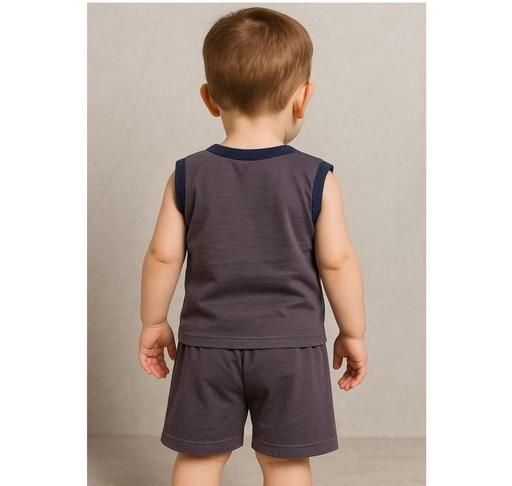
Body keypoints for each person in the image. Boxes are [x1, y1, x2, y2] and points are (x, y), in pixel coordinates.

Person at [139, 7, 368, 486]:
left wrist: (154, 322)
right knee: (285, 463)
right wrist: (353, 331)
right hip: (292, 349)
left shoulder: (187, 175)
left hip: (208, 347)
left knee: (199, 458)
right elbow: (337, 261)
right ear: (302, 98)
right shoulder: (317, 177)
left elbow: (164, 255)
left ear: (210, 98)